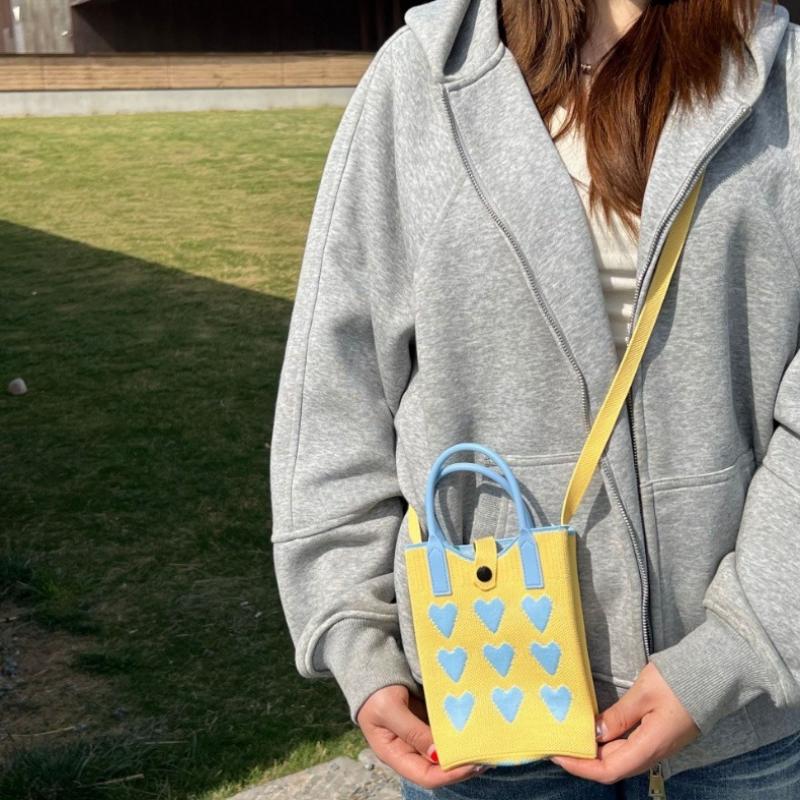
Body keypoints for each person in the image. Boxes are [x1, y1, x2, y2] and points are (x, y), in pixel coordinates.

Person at [269, 0, 800, 797]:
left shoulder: (782, 78)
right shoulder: (424, 79)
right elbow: (336, 381)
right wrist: (353, 629)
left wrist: (740, 645)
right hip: (488, 705)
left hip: (743, 721)